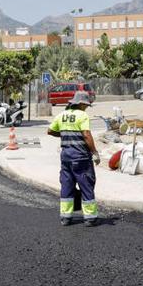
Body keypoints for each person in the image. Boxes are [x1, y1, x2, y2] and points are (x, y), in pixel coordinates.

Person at [47, 91, 100, 226]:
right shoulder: (82, 115)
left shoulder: (61, 115)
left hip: (66, 157)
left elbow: (50, 131)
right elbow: (86, 135)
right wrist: (94, 152)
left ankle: (66, 217)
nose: (87, 107)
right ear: (81, 104)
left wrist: (66, 135)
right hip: (81, 156)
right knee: (86, 184)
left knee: (67, 186)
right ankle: (89, 218)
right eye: (86, 105)